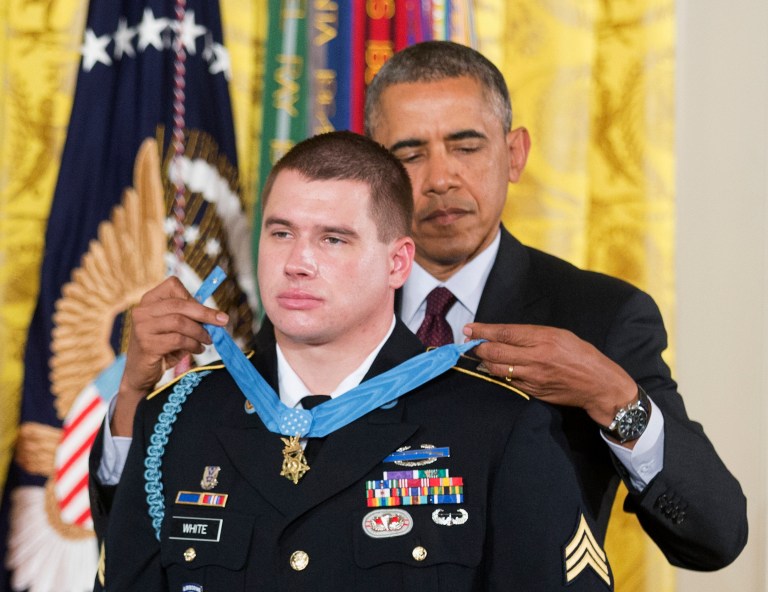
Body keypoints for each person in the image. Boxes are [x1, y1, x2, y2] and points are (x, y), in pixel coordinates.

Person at [92, 41, 747, 572]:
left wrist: (615, 399)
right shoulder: (311, 303)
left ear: (513, 154)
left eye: (466, 146)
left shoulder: (597, 314)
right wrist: (131, 399)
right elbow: (168, 533)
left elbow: (715, 539)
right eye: (409, 152)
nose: (439, 178)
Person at [98, 131, 612, 591]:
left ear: (397, 262)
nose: (298, 263)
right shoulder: (177, 417)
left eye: (333, 239)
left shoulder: (496, 425)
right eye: (281, 233)